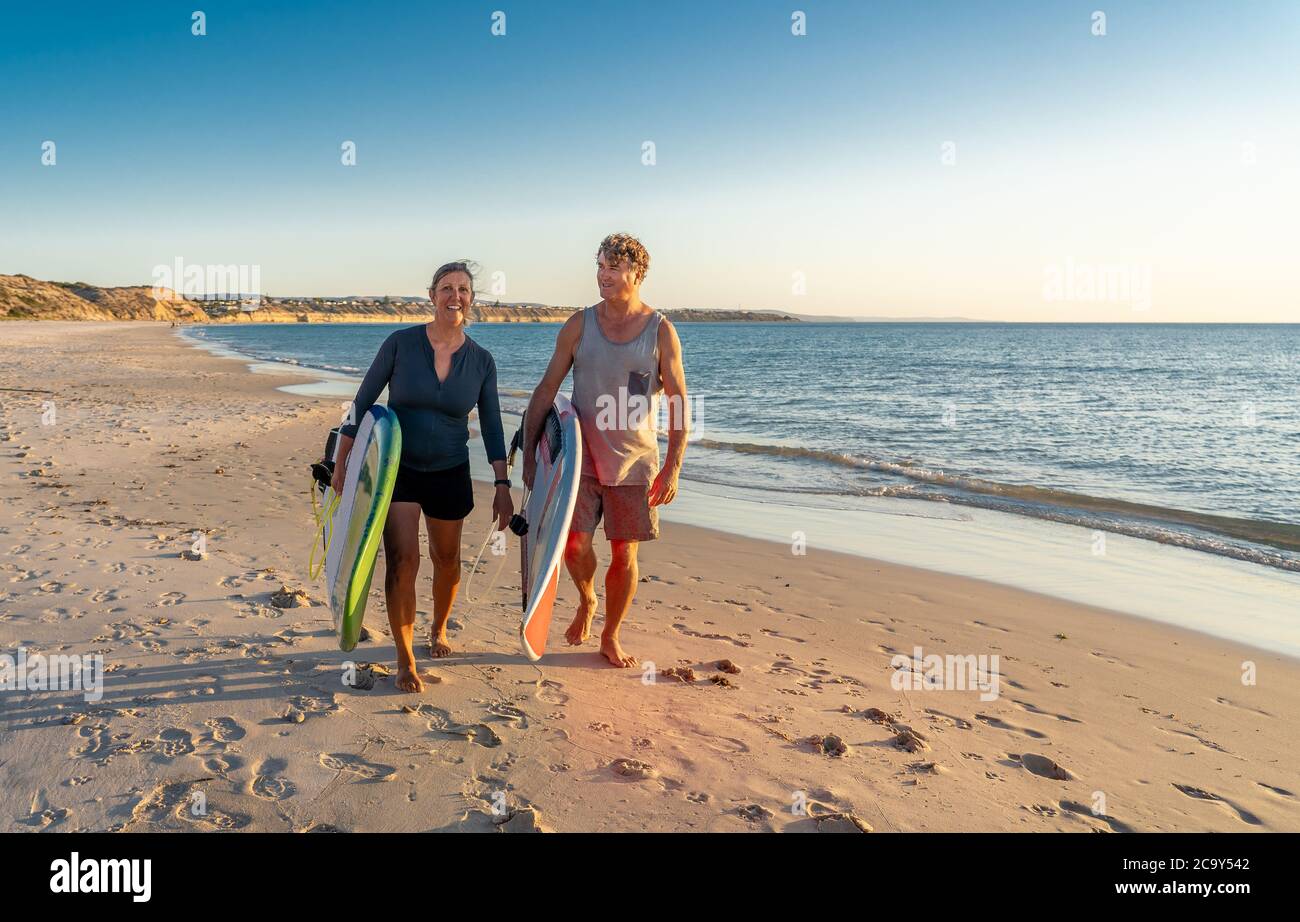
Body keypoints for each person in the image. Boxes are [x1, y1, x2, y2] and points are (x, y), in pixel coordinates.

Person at [332, 261, 512, 692]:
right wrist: (342, 461)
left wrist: (503, 484)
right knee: (403, 560)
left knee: (447, 560)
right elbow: (362, 401)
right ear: (432, 296)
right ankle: (405, 657)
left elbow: (490, 425)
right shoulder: (400, 344)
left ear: (472, 300)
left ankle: (440, 628)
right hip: (399, 468)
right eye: (447, 288)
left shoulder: (481, 361)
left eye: (464, 290)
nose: (455, 296)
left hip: (451, 470)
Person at [522, 234, 688, 667]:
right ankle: (586, 599)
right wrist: (529, 456)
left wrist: (672, 467)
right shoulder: (580, 324)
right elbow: (547, 389)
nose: (603, 275)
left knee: (624, 553)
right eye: (600, 266)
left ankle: (610, 635)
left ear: (637, 273)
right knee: (574, 546)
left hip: (635, 464)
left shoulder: (661, 331)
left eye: (613, 267)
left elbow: (679, 404)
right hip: (581, 460)